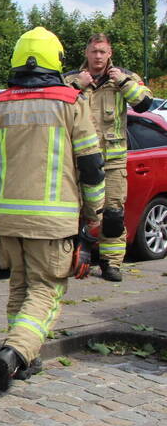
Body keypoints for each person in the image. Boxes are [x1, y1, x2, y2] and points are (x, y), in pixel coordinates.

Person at [0, 27, 105, 392]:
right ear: (55, 60)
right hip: (53, 221)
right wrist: (94, 214)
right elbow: (92, 166)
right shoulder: (71, 102)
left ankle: (23, 360)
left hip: (6, 218)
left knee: (19, 286)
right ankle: (16, 351)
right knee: (46, 291)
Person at [64, 34, 154, 282]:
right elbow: (55, 106)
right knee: (74, 212)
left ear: (110, 53)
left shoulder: (125, 77)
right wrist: (77, 85)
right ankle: (73, 260)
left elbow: (144, 103)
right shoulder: (70, 79)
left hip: (112, 162)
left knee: (113, 214)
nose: (98, 56)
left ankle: (111, 263)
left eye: (102, 52)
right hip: (79, 161)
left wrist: (123, 82)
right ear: (86, 52)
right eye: (94, 51)